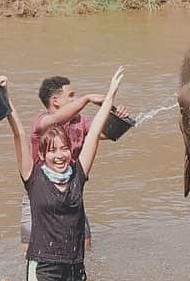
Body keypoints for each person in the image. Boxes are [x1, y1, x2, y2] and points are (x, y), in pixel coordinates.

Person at [0, 67, 125, 281]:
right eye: (52, 150)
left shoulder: (78, 174)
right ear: (42, 153)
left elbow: (96, 133)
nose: (60, 155)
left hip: (75, 269)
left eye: (64, 149)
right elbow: (19, 134)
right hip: (45, 268)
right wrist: (6, 97)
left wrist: (111, 94)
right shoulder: (33, 177)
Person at [20, 75, 129, 252]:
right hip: (38, 198)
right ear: (55, 101)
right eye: (71, 95)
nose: (75, 99)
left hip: (71, 195)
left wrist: (117, 114)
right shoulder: (42, 122)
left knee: (85, 250)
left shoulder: (81, 122)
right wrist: (86, 99)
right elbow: (57, 120)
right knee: (30, 252)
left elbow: (108, 132)